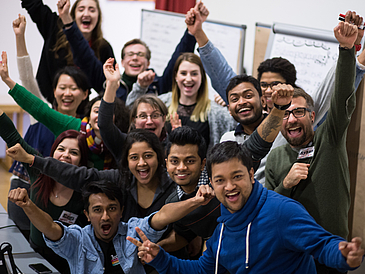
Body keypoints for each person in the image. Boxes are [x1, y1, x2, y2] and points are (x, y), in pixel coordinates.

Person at [186, 6, 365, 185]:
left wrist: (350, 48)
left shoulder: (289, 124)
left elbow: (333, 90)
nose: (270, 91)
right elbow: (223, 77)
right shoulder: (230, 138)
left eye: (277, 86)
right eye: (263, 86)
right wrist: (199, 33)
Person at [127, 141, 365, 274]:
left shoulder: (281, 211)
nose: (229, 187)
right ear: (211, 183)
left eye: (237, 176)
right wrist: (160, 259)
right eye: (220, 180)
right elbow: (202, 269)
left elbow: (323, 245)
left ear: (252, 174)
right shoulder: (221, 230)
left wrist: (344, 256)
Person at [265, 21, 359, 274]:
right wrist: (286, 183)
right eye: (286, 113)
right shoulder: (275, 157)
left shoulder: (330, 138)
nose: (292, 119)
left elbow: (342, 97)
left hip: (331, 252)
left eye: (299, 112)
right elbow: (267, 211)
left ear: (313, 115)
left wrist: (347, 49)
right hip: (289, 257)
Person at [8, 179, 214, 274]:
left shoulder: (133, 231)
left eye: (112, 208)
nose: (105, 216)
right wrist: (28, 205)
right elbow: (51, 228)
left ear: (121, 211)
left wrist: (196, 201)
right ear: (87, 215)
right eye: (97, 210)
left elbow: (162, 216)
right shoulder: (78, 239)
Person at [6, 129, 177, 223]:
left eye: (148, 156)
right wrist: (31, 159)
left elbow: (183, 234)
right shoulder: (121, 178)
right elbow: (79, 176)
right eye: (134, 157)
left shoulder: (173, 186)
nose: (141, 163)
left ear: (159, 157)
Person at [0, 51, 129, 170]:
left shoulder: (120, 140)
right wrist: (7, 80)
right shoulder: (74, 126)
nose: (101, 116)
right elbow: (39, 109)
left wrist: (112, 84)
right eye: (96, 111)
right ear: (88, 116)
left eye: (106, 112)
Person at [57, 0, 206, 101]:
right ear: (122, 62)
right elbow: (85, 56)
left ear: (148, 62)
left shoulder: (159, 86)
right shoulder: (109, 84)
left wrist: (192, 32)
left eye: (140, 55)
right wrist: (67, 21)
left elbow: (177, 59)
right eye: (130, 54)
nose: (135, 58)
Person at [0, 108, 89, 273]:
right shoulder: (39, 170)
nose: (65, 155)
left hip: (68, 261)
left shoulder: (86, 190)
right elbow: (12, 136)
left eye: (74, 152)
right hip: (34, 254)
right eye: (61, 149)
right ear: (53, 152)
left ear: (81, 162)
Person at [127, 52, 236, 149]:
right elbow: (130, 111)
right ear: (176, 76)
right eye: (183, 73)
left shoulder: (216, 112)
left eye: (194, 74)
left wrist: (230, 104)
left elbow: (238, 125)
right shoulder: (162, 102)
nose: (188, 79)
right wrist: (140, 87)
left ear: (202, 77)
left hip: (203, 171)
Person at [20, 0, 115, 105]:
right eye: (81, 9)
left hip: (79, 110)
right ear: (73, 14)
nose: (86, 14)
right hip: (46, 104)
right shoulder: (55, 29)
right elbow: (34, 5)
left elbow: (108, 85)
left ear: (98, 16)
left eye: (92, 10)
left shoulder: (103, 47)